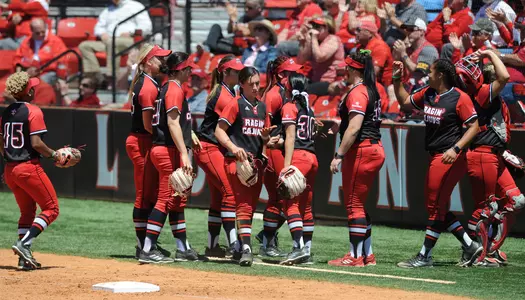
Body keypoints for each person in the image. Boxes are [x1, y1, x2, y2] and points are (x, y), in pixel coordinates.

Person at [393, 58, 482, 268]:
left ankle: (425, 256)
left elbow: (474, 126)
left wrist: (456, 148)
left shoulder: (459, 98)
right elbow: (404, 102)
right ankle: (470, 245)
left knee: (435, 207)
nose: (428, 75)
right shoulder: (428, 93)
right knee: (435, 205)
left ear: (441, 74)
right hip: (435, 156)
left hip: (449, 156)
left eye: (431, 72)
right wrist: (397, 78)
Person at [456, 50, 524, 266]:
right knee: (486, 207)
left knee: (515, 201)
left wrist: (505, 153)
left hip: (495, 153)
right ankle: (473, 251)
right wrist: (489, 53)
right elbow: (504, 76)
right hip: (482, 154)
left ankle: (490, 249)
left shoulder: (483, 94)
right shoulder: (481, 93)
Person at [0, 72, 69, 270]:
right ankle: (24, 244)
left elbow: (1, 140)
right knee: (52, 209)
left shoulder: (6, 112)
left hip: (10, 169)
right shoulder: (34, 111)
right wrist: (55, 155)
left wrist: (8, 159)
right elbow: (37, 144)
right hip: (28, 167)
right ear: (28, 91)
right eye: (32, 87)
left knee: (27, 213)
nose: (34, 89)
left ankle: (24, 259)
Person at [138, 52, 200, 264]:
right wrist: (184, 154)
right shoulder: (173, 89)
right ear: (180, 70)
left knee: (176, 200)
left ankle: (183, 247)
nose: (191, 72)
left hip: (164, 148)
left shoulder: (168, 87)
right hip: (167, 150)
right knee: (165, 199)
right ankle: (147, 249)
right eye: (188, 68)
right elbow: (173, 124)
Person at [327, 51, 385, 267]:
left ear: (352, 69)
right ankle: (367, 255)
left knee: (353, 204)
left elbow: (354, 128)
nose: (344, 70)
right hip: (373, 148)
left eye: (347, 67)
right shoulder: (371, 89)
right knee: (358, 204)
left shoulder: (358, 92)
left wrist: (338, 155)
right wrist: (339, 125)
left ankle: (354, 256)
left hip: (362, 150)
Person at [215, 66, 274, 266]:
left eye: (258, 83)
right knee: (243, 203)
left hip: (256, 163)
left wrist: (266, 142)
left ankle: (240, 246)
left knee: (250, 206)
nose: (256, 87)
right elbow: (219, 131)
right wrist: (233, 147)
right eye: (252, 84)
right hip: (236, 162)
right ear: (242, 84)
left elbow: (264, 137)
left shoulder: (263, 107)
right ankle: (247, 248)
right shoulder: (236, 104)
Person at [124, 43, 171, 260]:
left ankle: (145, 244)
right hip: (142, 141)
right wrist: (164, 137)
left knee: (149, 195)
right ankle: (144, 247)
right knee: (144, 196)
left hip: (144, 142)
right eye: (159, 58)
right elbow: (147, 125)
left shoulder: (149, 82)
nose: (163, 62)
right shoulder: (148, 86)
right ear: (149, 62)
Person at [195, 55, 244, 258]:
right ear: (225, 72)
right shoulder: (224, 95)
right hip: (209, 148)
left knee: (218, 199)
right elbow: (239, 118)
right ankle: (234, 244)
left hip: (214, 148)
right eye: (236, 71)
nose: (240, 73)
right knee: (230, 193)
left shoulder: (230, 90)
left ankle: (213, 246)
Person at [258, 56, 303, 258]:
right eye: (288, 72)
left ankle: (266, 237)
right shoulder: (273, 95)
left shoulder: (285, 93)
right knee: (281, 197)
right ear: (279, 74)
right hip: (273, 151)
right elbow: (263, 128)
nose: (292, 76)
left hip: (280, 149)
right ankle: (267, 241)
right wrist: (265, 149)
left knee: (280, 198)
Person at [279, 73, 318, 265]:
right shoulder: (309, 108)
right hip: (312, 157)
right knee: (306, 206)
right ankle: (307, 250)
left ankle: (297, 248)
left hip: (299, 157)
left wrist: (286, 167)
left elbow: (291, 138)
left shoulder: (289, 106)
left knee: (290, 204)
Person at [78, 0, 152, 79]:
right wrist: (102, 33)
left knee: (112, 43)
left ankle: (112, 77)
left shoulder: (136, 6)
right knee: (84, 46)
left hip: (130, 40)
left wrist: (131, 33)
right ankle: (95, 77)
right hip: (109, 40)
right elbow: (99, 27)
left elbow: (146, 26)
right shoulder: (108, 10)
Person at [14, 18, 67, 85]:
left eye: (43, 32)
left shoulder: (56, 41)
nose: (41, 34)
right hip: (29, 71)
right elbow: (18, 59)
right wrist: (18, 75)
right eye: (37, 33)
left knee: (38, 83)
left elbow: (61, 61)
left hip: (48, 72)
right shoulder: (26, 42)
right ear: (32, 31)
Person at [297, 16, 345, 83]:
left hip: (330, 81)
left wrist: (314, 38)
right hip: (315, 80)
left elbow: (319, 58)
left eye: (318, 26)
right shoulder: (315, 41)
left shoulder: (333, 39)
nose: (314, 29)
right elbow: (300, 61)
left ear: (327, 28)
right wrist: (304, 42)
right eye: (313, 26)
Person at [392, 18, 438, 85]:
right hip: (407, 86)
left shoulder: (429, 50)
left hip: (422, 89)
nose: (408, 32)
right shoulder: (408, 49)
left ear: (421, 32)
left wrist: (403, 53)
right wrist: (397, 50)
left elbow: (418, 71)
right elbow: (395, 62)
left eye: (411, 29)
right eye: (407, 30)